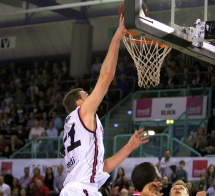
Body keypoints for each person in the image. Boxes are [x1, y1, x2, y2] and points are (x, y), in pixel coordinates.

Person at [60, 15, 149, 196]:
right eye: (86, 94)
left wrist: (128, 148)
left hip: (79, 189)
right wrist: (117, 38)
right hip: (81, 189)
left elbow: (104, 167)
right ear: (79, 102)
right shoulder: (83, 112)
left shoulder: (77, 126)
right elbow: (106, 75)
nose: (91, 95)